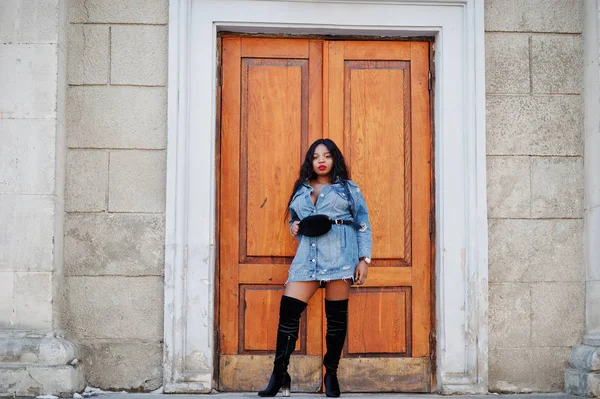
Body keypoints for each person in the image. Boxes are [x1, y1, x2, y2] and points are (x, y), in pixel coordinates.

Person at [258, 139, 372, 398]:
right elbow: (295, 219)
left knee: (335, 319)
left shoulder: (348, 189)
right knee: (288, 313)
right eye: (316, 156)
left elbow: (363, 223)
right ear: (310, 161)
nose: (321, 160)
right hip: (306, 259)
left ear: (334, 160)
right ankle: (279, 374)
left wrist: (364, 259)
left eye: (327, 156)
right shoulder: (300, 189)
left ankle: (331, 373)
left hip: (340, 258)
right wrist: (293, 227)